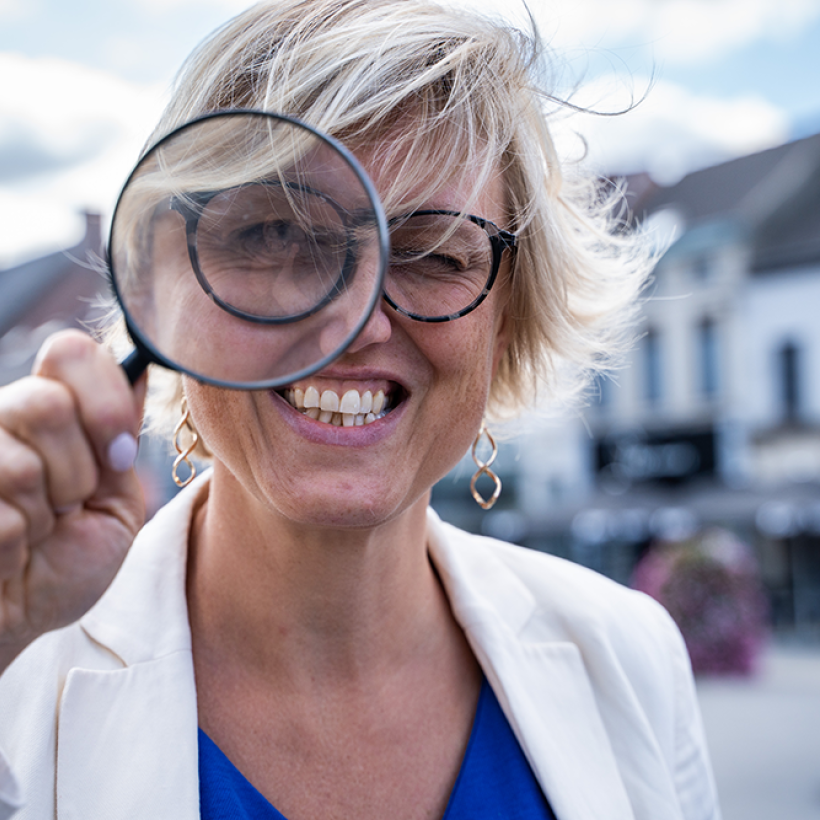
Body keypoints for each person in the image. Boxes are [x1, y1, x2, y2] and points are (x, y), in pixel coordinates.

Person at [0, 1, 721, 818]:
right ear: (169, 290)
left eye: (431, 252)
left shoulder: (628, 656)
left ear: (507, 322)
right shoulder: (15, 667)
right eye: (277, 235)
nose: (358, 323)